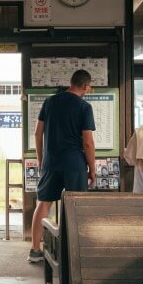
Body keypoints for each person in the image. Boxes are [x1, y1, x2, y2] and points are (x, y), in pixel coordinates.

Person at [29, 70, 96, 262]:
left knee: (43, 203)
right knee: (76, 206)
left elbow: (37, 133)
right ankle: (75, 253)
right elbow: (88, 142)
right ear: (85, 86)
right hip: (74, 163)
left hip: (51, 161)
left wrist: (41, 159)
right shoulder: (84, 106)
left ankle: (35, 250)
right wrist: (92, 168)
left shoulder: (50, 102)